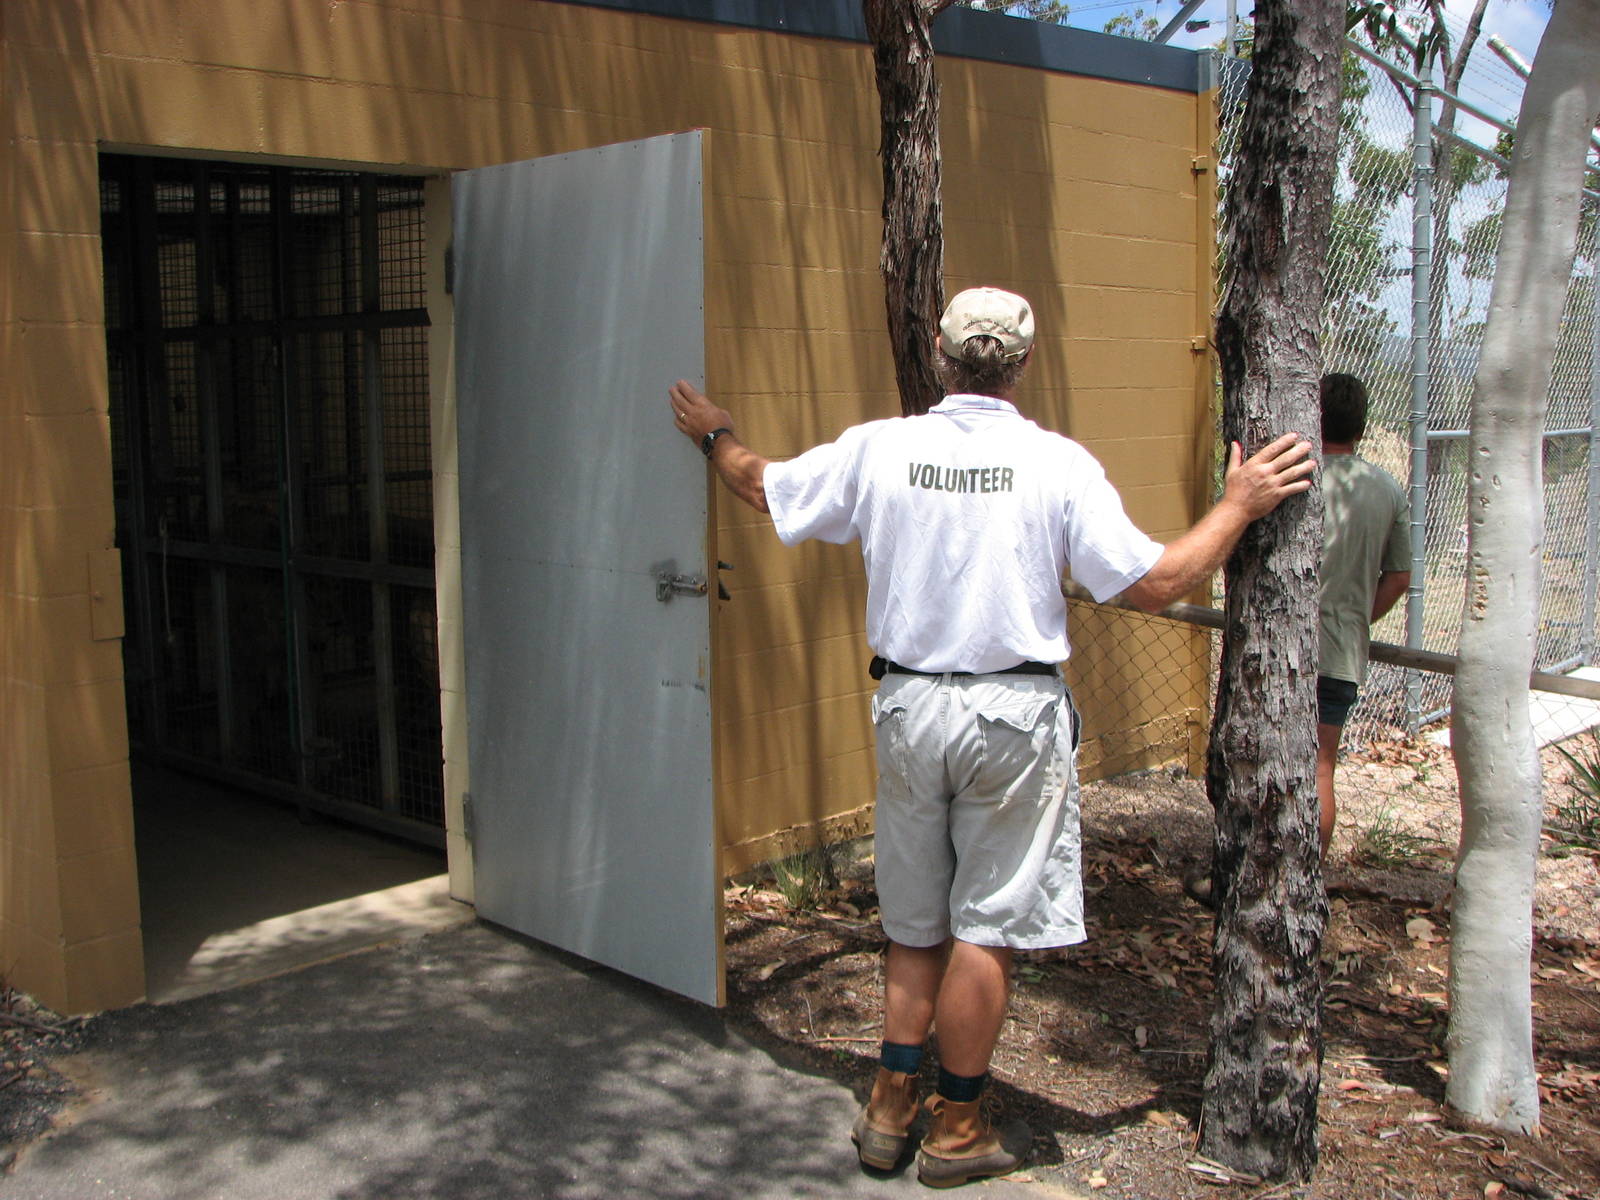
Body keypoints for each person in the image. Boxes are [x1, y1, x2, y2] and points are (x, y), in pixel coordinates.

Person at [668, 287, 1312, 1188]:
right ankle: (959, 1124)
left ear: (939, 352)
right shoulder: (1059, 466)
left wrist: (713, 432)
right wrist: (1240, 503)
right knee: (987, 926)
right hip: (1014, 719)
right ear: (1025, 361)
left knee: (916, 924)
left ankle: (890, 1109)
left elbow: (758, 482)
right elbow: (1159, 584)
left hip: (910, 710)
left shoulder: (881, 449)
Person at [1316, 372, 1410, 857]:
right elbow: (1398, 578)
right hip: (1340, 655)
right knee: (1321, 767)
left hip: (1276, 648)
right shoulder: (1388, 490)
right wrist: (1355, 619)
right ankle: (1306, 878)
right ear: (1362, 426)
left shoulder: (1294, 475)